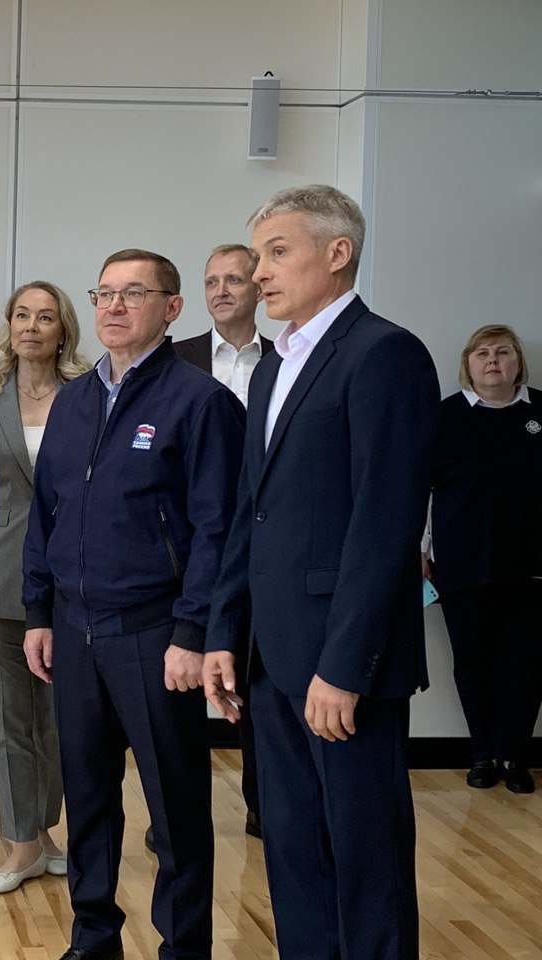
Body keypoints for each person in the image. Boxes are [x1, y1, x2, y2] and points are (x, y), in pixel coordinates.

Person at [203, 185, 440, 960]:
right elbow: (250, 516)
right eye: (256, 256)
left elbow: (384, 526)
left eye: (277, 253)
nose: (257, 273)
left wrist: (344, 668)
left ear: (337, 253)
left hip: (343, 667)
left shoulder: (385, 354)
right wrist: (222, 634)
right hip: (269, 659)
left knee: (365, 859)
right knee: (293, 850)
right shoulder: (272, 367)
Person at [23, 249, 245, 960]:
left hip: (156, 634)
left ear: (172, 308)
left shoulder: (200, 401)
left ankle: (183, 947)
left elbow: (218, 530)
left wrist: (193, 630)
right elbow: (46, 515)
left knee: (175, 806)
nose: (114, 307)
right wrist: (38, 612)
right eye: (104, 294)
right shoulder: (73, 400)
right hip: (74, 628)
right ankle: (93, 938)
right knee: (88, 799)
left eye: (134, 294)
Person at [0, 281, 91, 894]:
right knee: (8, 716)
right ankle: (21, 841)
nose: (31, 326)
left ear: (63, 329)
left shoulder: (89, 394)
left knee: (58, 719)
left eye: (45, 317)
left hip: (72, 577)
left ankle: (46, 833)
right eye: (21, 315)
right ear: (9, 325)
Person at [171, 242, 274, 840]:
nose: (221, 291)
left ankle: (264, 805)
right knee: (180, 682)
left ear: (259, 286)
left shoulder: (285, 358)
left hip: (262, 540)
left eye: (234, 279)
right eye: (211, 281)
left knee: (258, 676)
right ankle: (179, 819)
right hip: (187, 547)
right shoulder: (173, 359)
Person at [424, 324, 541, 794]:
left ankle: (514, 756)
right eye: (482, 353)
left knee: (524, 665)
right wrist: (420, 550)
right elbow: (422, 490)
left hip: (531, 565)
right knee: (473, 662)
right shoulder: (444, 416)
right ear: (468, 365)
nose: (493, 360)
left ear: (518, 363)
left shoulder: (540, 412)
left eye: (503, 352)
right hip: (463, 562)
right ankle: (482, 754)